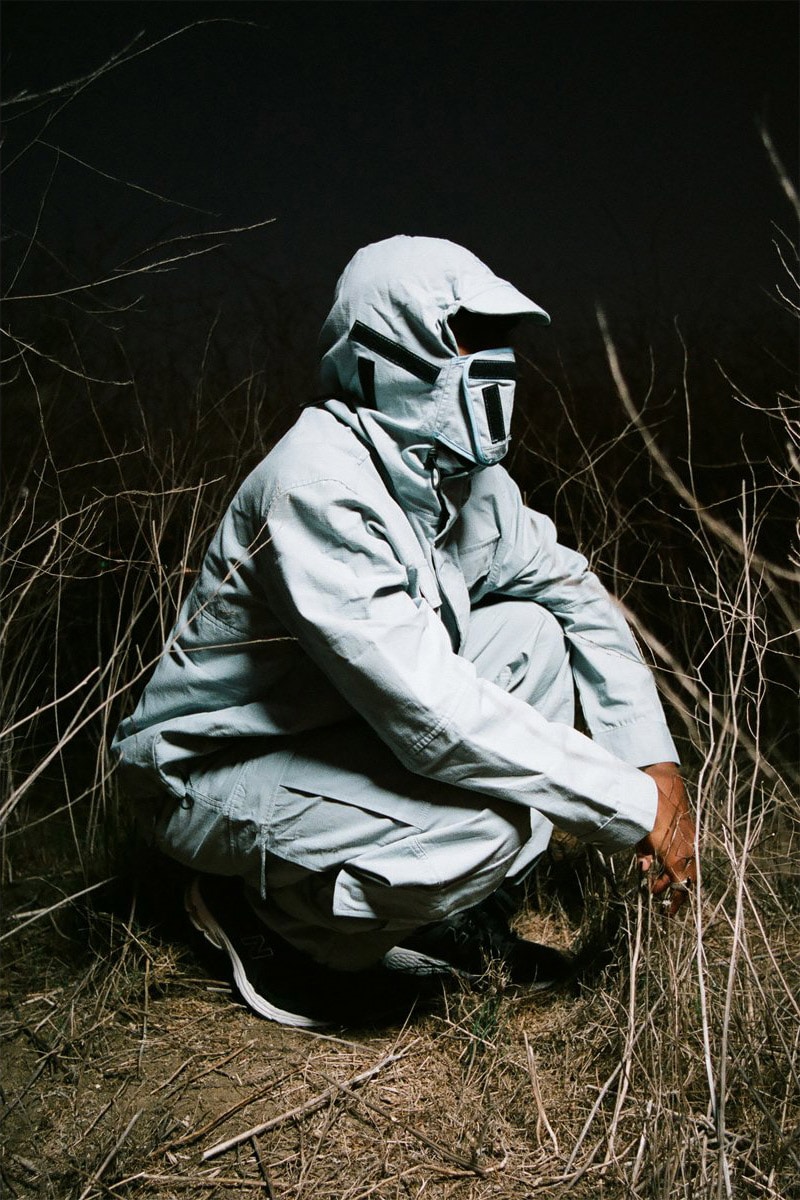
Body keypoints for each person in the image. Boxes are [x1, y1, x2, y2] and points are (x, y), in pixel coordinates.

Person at [112, 235, 696, 1028]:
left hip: (335, 723)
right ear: (377, 360)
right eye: (465, 339)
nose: (494, 365)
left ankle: (446, 915)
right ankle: (277, 927)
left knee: (532, 633)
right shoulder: (317, 486)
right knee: (485, 824)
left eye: (498, 341)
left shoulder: (463, 478)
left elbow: (571, 589)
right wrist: (630, 805)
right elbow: (434, 720)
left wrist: (651, 760)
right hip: (211, 770)